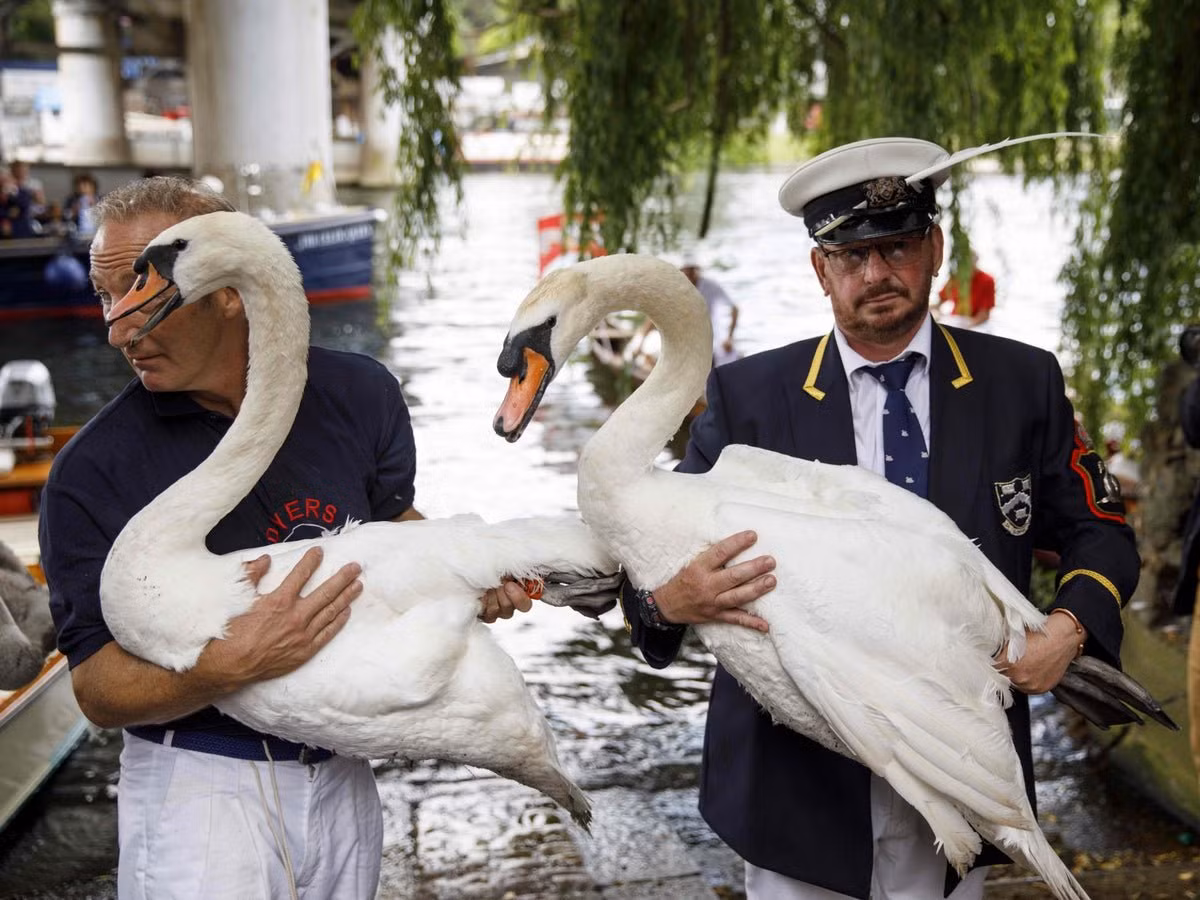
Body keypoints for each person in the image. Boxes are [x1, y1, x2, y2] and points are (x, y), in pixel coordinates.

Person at [619, 137, 1138, 899]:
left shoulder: (1019, 383)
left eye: (895, 248)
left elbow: (1100, 528)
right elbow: (650, 555)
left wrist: (1068, 630)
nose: (876, 275)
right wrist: (665, 604)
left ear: (934, 248)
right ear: (820, 270)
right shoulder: (750, 398)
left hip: (958, 765)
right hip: (797, 791)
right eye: (852, 257)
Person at [39, 176, 534, 898]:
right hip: (203, 789)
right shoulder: (92, 471)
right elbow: (97, 690)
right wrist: (226, 665)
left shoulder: (359, 394)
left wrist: (470, 579)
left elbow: (392, 528)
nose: (119, 327)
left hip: (343, 772)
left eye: (143, 292)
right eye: (106, 297)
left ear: (229, 288)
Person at [681, 252, 741, 365]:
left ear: (696, 270)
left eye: (691, 270)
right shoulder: (679, 289)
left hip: (714, 340)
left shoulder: (711, 286)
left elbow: (734, 309)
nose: (689, 274)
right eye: (686, 271)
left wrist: (729, 337)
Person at [936, 251, 995, 327]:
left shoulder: (987, 280)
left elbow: (984, 313)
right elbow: (941, 300)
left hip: (976, 323)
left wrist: (969, 326)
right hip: (954, 320)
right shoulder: (955, 277)